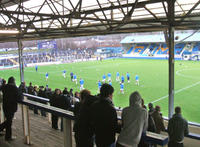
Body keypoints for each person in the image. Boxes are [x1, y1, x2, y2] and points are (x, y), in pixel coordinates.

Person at [0, 77, 22, 141]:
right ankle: (8, 137)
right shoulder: (15, 88)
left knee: (8, 121)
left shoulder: (4, 87)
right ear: (13, 82)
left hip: (5, 107)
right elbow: (20, 98)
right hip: (11, 108)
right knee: (9, 122)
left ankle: (7, 136)